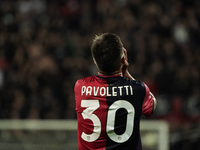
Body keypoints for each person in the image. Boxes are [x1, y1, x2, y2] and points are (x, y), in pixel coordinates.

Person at [74, 33, 157, 150]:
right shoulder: (138, 89)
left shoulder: (80, 87)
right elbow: (152, 105)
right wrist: (127, 75)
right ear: (123, 58)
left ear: (95, 60)